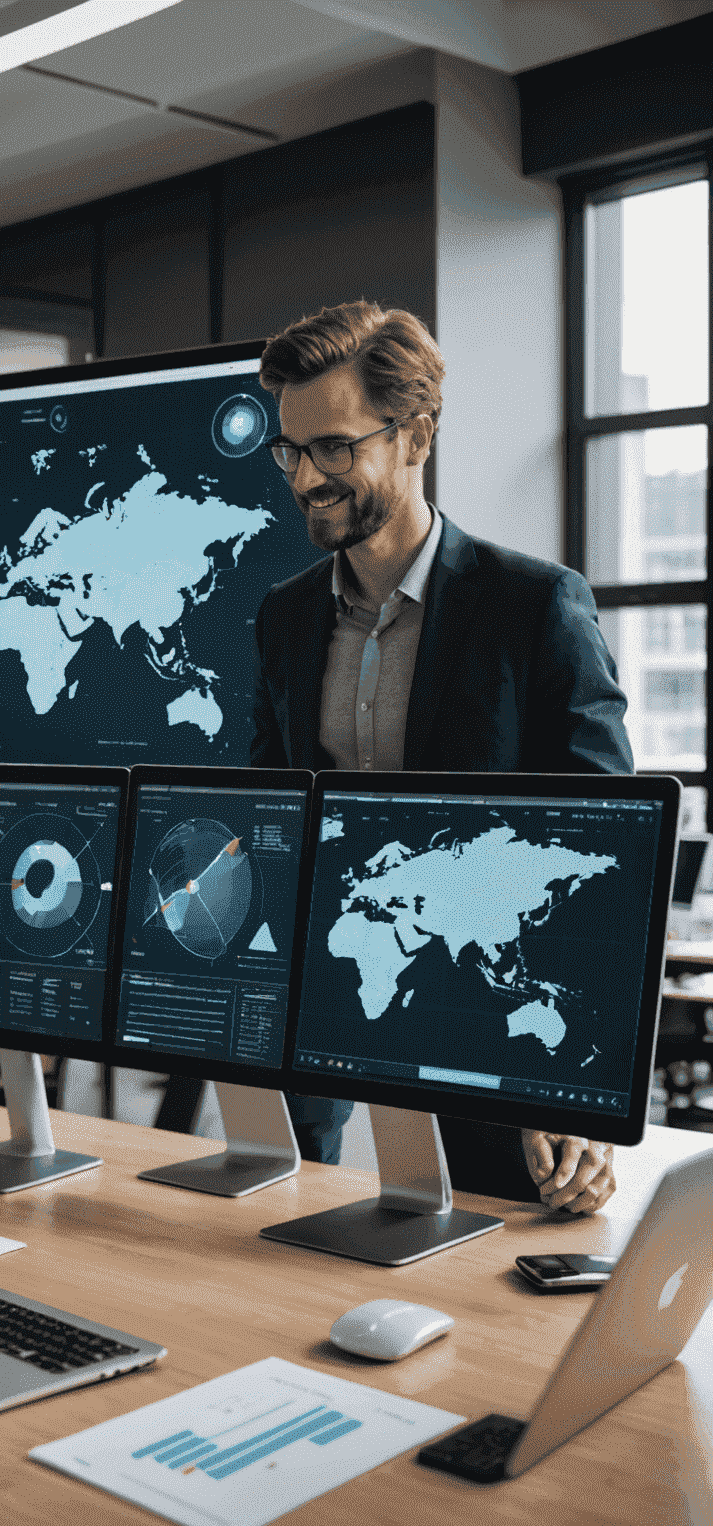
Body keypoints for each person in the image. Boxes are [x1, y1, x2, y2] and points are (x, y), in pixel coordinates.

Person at [250, 300, 627, 1216]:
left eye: (334, 448)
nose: (306, 478)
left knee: (495, 1258)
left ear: (415, 434)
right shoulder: (286, 618)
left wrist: (572, 1082)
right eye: (292, 451)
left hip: (492, 1008)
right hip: (331, 997)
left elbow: (607, 852)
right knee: (282, 1233)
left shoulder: (533, 606)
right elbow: (266, 810)